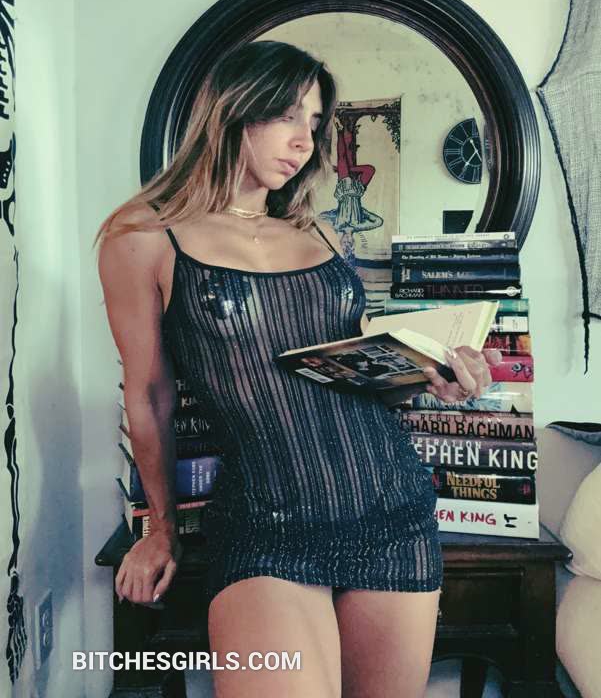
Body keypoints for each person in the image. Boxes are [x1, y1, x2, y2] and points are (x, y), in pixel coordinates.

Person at [95, 40, 501, 698]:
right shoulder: (142, 236)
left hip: (391, 510)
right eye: (287, 116)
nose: (305, 142)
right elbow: (148, 396)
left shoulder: (316, 231)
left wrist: (432, 376)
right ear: (233, 109)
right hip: (267, 524)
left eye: (313, 124)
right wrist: (160, 530)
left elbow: (348, 378)